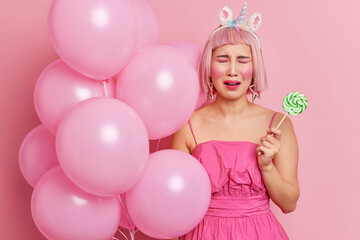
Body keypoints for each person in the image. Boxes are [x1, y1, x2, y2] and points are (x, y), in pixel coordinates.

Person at [171, 3, 299, 240]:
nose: (232, 70)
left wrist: (267, 166)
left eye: (242, 60)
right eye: (222, 59)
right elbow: (172, 203)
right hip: (203, 234)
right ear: (209, 67)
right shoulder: (187, 125)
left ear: (255, 67)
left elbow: (289, 203)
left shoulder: (279, 124)